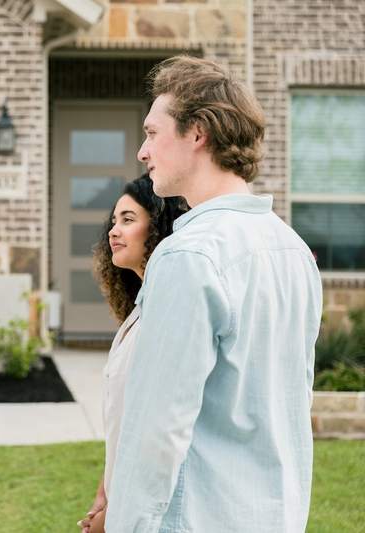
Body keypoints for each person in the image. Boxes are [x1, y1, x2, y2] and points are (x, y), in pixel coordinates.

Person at [103, 56, 323, 532]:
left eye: (153, 133)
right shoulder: (295, 250)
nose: (143, 151)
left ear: (197, 132)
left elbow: (157, 429)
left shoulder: (189, 256)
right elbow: (293, 406)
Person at [77, 175, 187, 533]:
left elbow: (158, 434)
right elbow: (125, 426)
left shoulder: (168, 313)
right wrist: (104, 494)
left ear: (158, 228)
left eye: (128, 220)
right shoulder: (139, 312)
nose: (113, 231)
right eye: (113, 221)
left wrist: (114, 515)